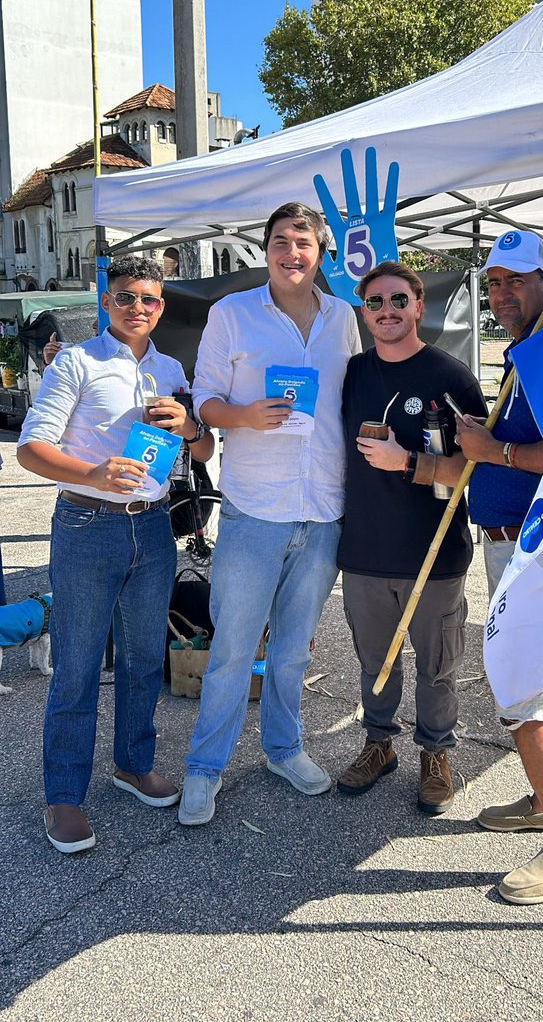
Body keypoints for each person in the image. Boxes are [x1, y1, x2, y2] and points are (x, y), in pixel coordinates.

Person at [17, 255, 214, 854]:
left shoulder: (171, 367)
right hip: (86, 523)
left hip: (153, 528)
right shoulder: (77, 361)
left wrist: (188, 428)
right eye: (126, 297)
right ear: (107, 301)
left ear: (161, 306)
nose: (138, 308)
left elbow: (203, 451)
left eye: (150, 299)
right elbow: (30, 449)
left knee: (141, 660)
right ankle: (65, 796)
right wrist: (95, 472)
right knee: (77, 666)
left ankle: (133, 764)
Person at [178, 202, 361, 826]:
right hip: (255, 509)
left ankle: (284, 749)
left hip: (322, 510)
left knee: (293, 651)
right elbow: (203, 400)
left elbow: (350, 401)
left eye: (303, 242)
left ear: (321, 252)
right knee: (232, 648)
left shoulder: (343, 319)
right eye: (280, 240)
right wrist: (243, 416)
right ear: (266, 249)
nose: (291, 252)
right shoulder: (231, 314)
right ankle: (205, 768)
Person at [453, 230, 543, 903]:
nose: (503, 293)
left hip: (530, 548)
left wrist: (489, 450)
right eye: (495, 282)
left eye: (516, 279)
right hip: (514, 543)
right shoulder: (526, 354)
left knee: (519, 690)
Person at [336, 261, 485, 814]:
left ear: (420, 306)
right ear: (364, 313)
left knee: (437, 665)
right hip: (366, 551)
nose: (387, 311)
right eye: (375, 303)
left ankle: (436, 754)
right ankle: (379, 745)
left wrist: (410, 463)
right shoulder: (351, 373)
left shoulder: (451, 377)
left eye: (399, 300)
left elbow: (480, 467)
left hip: (435, 551)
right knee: (374, 662)